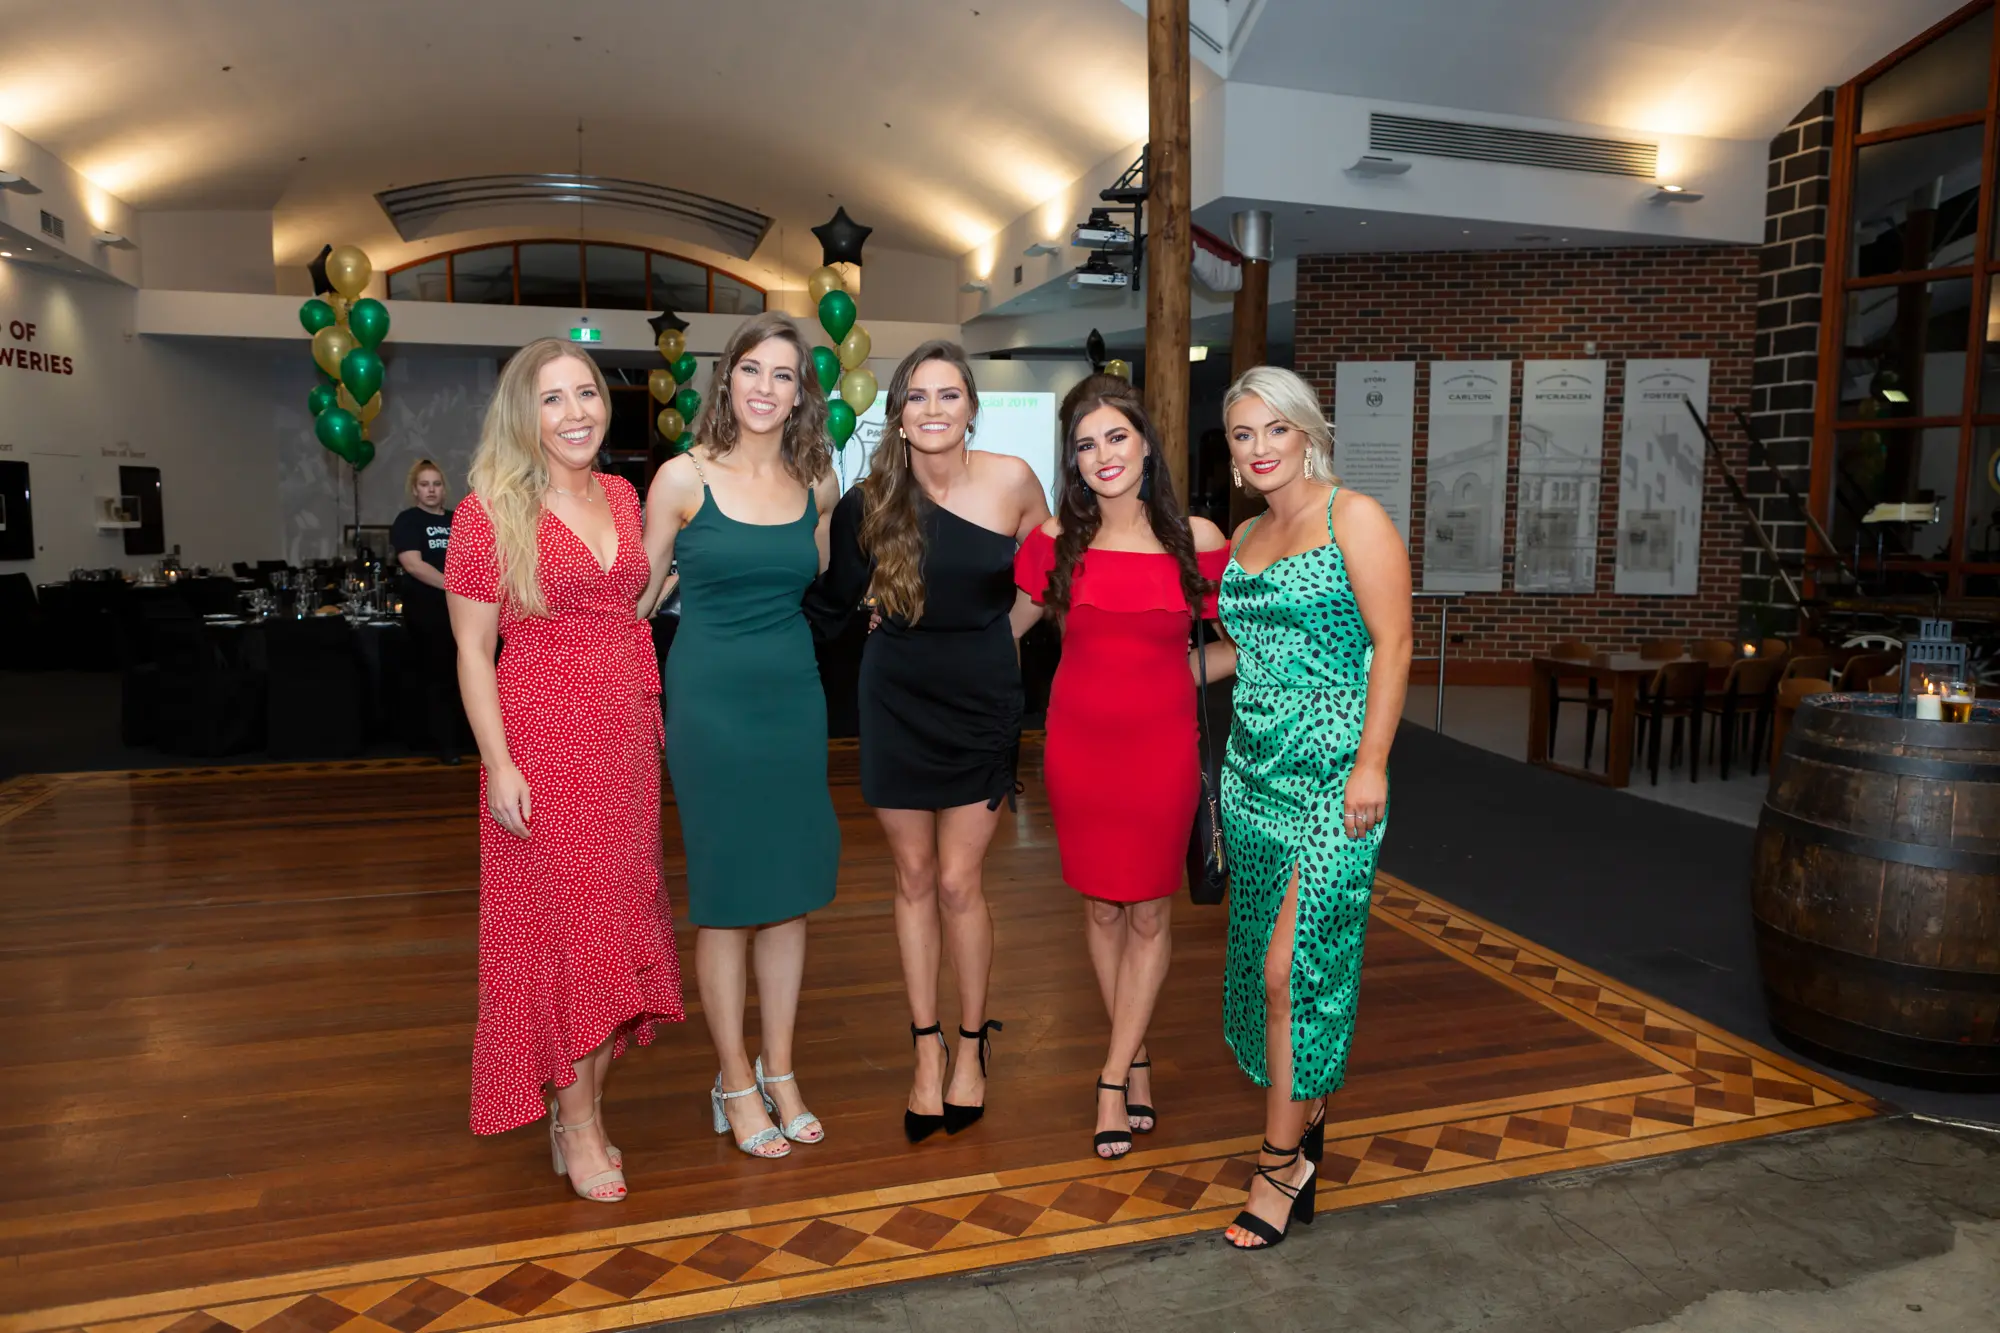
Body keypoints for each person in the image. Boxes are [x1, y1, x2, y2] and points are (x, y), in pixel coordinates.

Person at [445, 339, 684, 1203]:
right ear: (525, 414)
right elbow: (473, 652)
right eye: (553, 398)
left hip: (626, 740)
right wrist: (498, 761)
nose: (576, 411)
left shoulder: (620, 493)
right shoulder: (487, 512)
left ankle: (576, 1110)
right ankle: (578, 1124)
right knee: (570, 935)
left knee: (615, 924)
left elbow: (624, 601)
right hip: (544, 745)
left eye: (587, 392)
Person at [807, 341, 1048, 1143]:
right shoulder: (870, 501)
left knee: (956, 881)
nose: (934, 408)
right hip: (896, 698)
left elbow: (1052, 573)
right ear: (898, 414)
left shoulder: (1013, 480)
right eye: (918, 395)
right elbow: (830, 605)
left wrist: (1001, 635)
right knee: (913, 877)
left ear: (972, 408)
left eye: (949, 394)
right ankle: (925, 1048)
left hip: (983, 701)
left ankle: (972, 1043)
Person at [1206, 366, 1412, 1250]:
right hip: (1253, 775)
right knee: (1266, 968)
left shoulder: (1350, 516)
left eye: (1274, 429)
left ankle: (1279, 1164)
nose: (1260, 448)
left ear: (1308, 432)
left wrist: (1373, 763)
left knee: (1293, 968)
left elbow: (1393, 642)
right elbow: (1249, 650)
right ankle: (1308, 1111)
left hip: (1336, 775)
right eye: (1243, 434)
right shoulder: (1247, 534)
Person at [639, 311, 840, 1161]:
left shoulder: (817, 481)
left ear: (801, 394)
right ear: (727, 380)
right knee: (725, 899)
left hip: (793, 700)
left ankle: (780, 1069)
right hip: (711, 705)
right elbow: (639, 598)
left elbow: (817, 571)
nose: (765, 387)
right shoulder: (681, 478)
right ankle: (732, 1077)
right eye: (751, 369)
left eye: (782, 374)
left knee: (789, 892)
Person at [1014, 386, 1227, 1160]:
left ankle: (1111, 1076)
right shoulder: (1055, 540)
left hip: (1161, 749)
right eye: (1085, 444)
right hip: (1079, 748)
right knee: (1102, 910)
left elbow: (1241, 643)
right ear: (1073, 462)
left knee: (1149, 914)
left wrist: (1171, 675)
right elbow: (1005, 628)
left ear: (1145, 446)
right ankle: (1132, 1057)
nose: (1102, 455)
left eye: (1115, 438)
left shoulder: (1196, 540)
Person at [392, 459, 466, 764]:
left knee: (467, 675)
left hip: (464, 611)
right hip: (428, 611)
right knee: (439, 678)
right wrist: (455, 586)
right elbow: (413, 564)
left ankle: (470, 741)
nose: (431, 490)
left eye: (436, 484)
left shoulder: (458, 518)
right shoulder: (408, 520)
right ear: (415, 490)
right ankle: (446, 745)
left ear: (444, 489)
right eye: (424, 485)